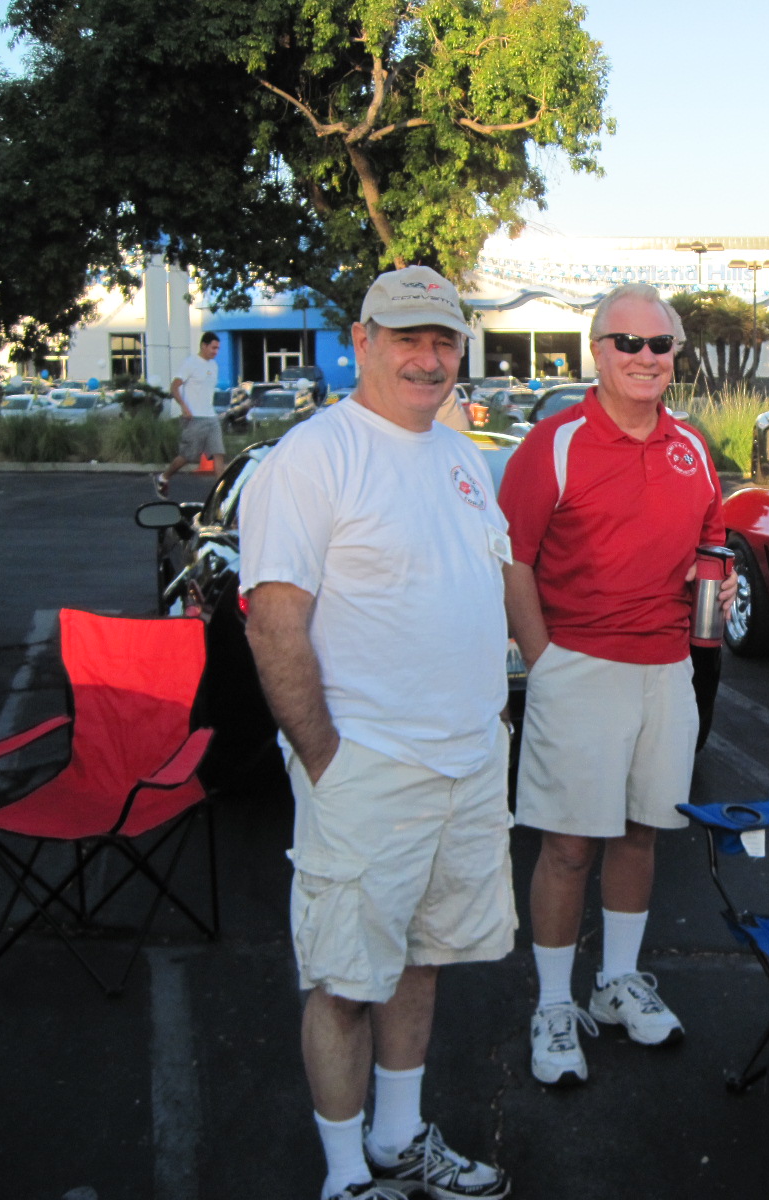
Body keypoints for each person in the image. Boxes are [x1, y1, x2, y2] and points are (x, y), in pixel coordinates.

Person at [240, 266, 515, 1200]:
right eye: (407, 339)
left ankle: (400, 1140)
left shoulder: (458, 456)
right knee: (347, 982)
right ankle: (346, 1172)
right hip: (368, 769)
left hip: (467, 764)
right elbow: (274, 622)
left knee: (422, 962)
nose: (428, 358)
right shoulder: (314, 458)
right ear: (360, 342)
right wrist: (327, 758)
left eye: (443, 340)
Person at [498, 281, 736, 1087]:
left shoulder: (692, 447)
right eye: (626, 343)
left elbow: (712, 543)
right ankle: (555, 1004)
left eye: (658, 345)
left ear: (675, 356)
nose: (644, 357)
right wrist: (546, 661)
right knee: (567, 848)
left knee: (641, 833)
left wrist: (720, 588)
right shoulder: (555, 443)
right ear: (596, 352)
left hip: (668, 669)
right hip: (580, 669)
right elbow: (513, 560)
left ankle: (616, 985)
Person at [155, 331, 227, 495]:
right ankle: (164, 477)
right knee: (187, 456)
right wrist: (184, 407)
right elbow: (174, 387)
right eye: (213, 348)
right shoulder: (191, 363)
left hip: (211, 417)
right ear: (204, 345)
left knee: (218, 454)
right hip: (194, 418)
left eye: (218, 349)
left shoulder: (213, 365)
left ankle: (221, 495)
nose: (216, 352)